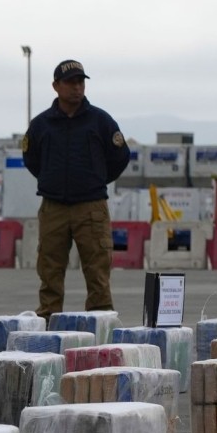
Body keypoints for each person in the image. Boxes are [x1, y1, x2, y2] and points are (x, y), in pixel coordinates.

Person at [21, 59, 130, 321]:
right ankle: (48, 319)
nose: (77, 88)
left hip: (91, 207)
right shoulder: (41, 125)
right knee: (49, 268)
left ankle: (100, 320)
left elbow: (119, 157)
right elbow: (32, 159)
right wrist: (52, 180)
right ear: (56, 86)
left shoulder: (101, 121)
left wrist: (96, 180)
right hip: (53, 207)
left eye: (81, 82)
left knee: (97, 269)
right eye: (70, 83)